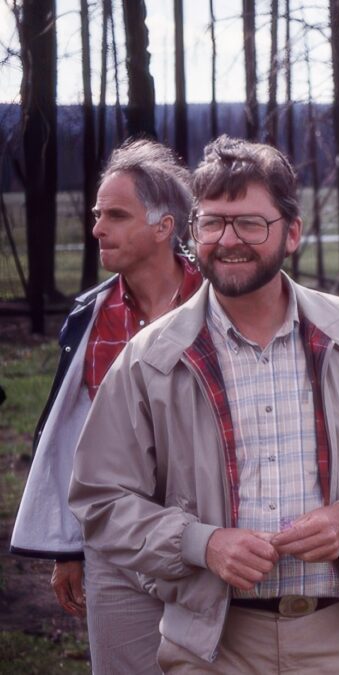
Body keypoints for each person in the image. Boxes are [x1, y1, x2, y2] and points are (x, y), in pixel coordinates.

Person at [69, 136, 339, 672]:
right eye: (213, 223)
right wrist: (203, 543)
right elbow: (101, 499)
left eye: (250, 223)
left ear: (291, 232)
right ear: (192, 230)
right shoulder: (152, 358)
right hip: (212, 644)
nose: (228, 240)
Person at [11, 139, 200, 673]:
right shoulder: (90, 320)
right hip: (114, 542)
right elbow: (76, 441)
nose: (97, 229)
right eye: (98, 215)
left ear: (164, 227)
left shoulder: (220, 307)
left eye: (116, 215)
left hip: (210, 540)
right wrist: (69, 545)